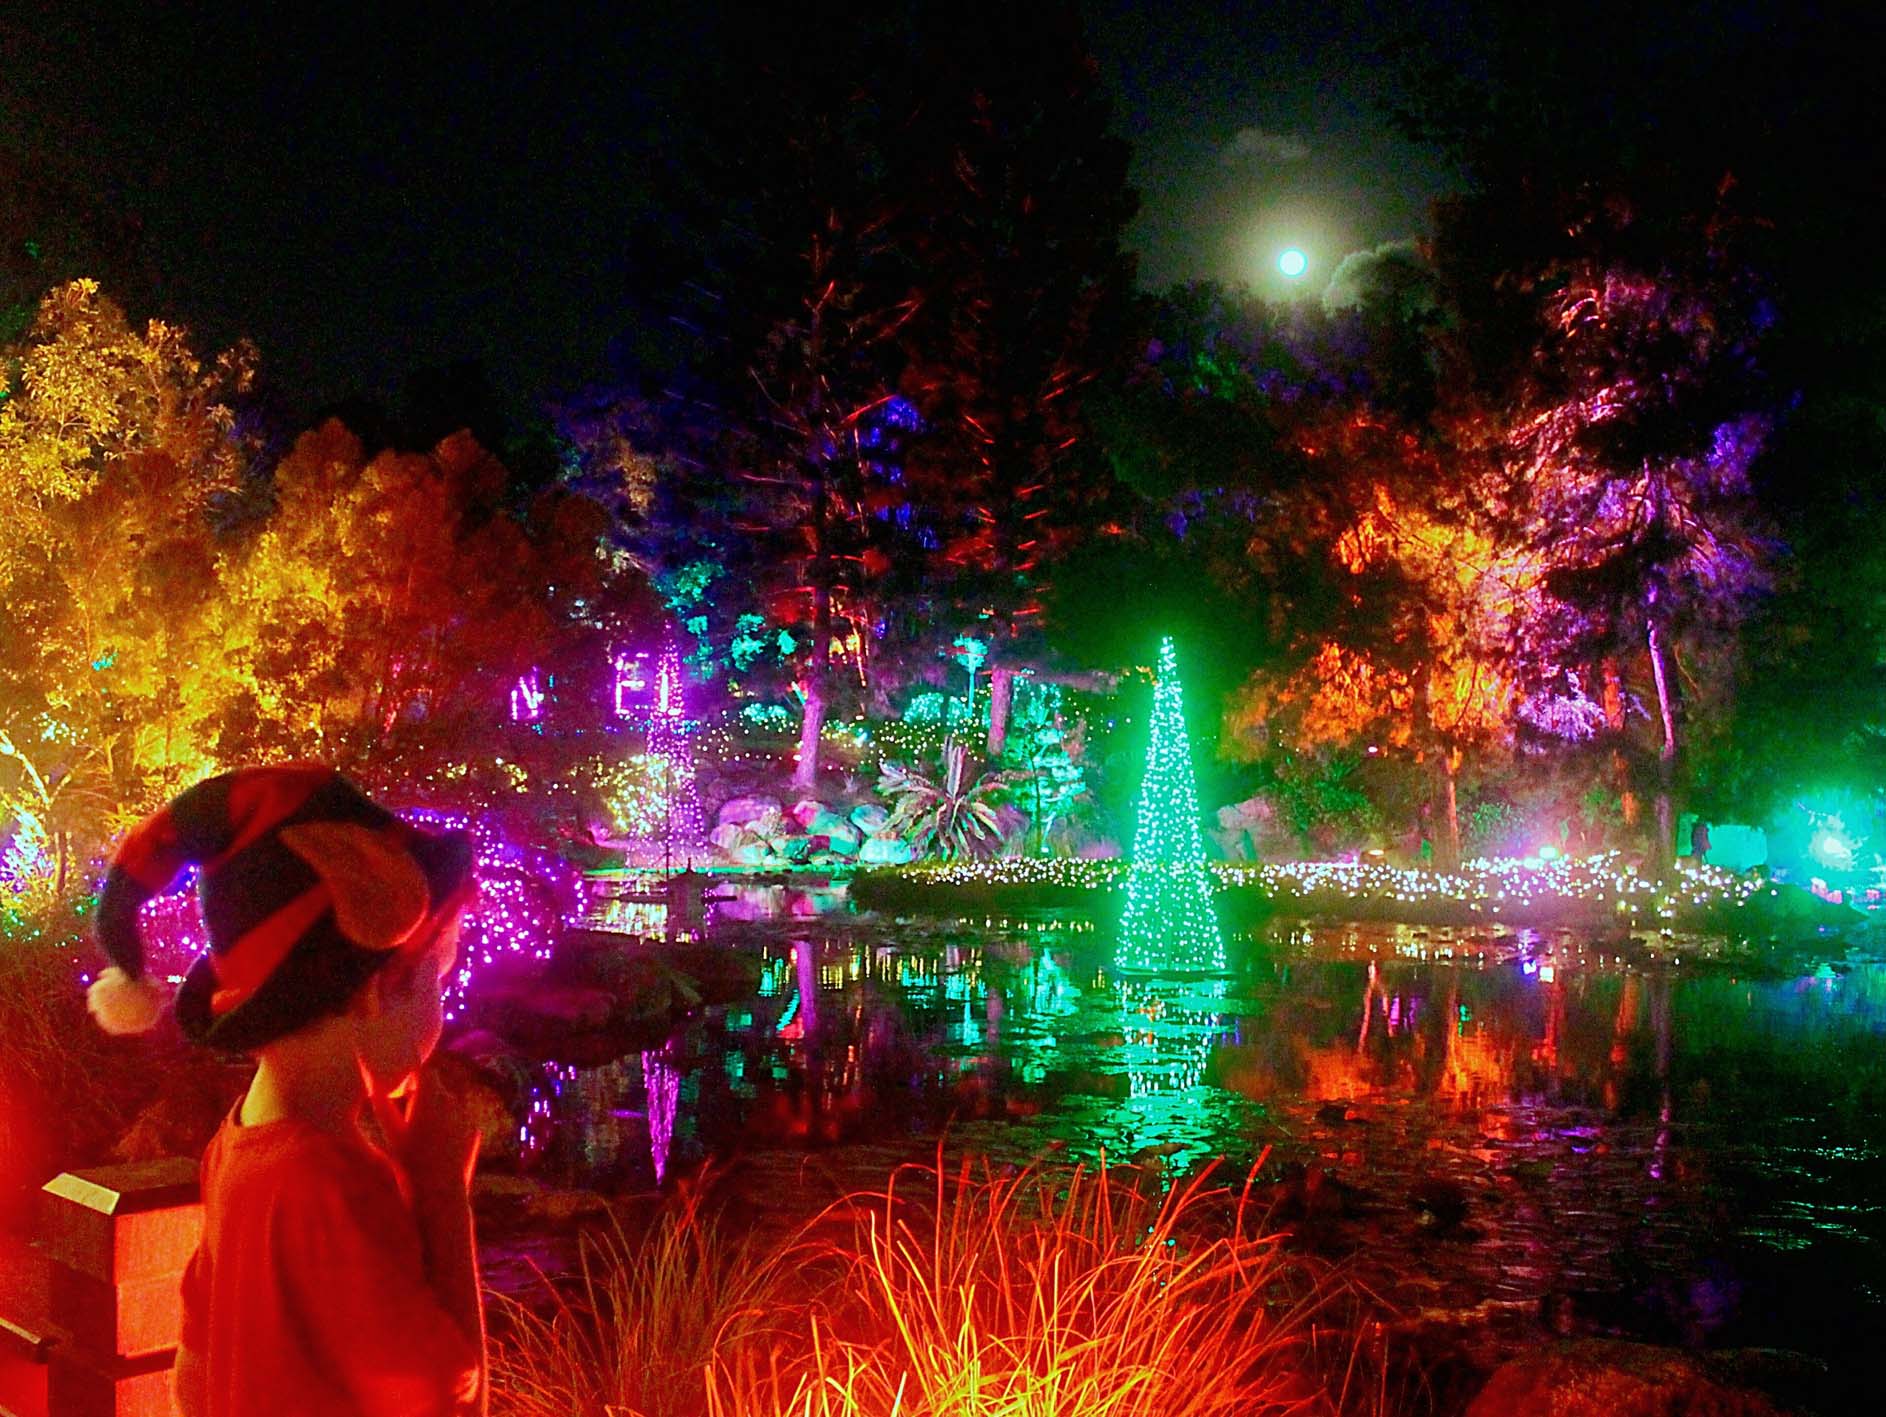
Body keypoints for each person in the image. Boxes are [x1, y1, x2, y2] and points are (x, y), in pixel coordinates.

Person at [85, 765, 487, 1417]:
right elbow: (451, 1405)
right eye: (437, 973)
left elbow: (193, 1382)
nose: (442, 1007)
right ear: (376, 988)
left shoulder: (237, 1144)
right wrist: (444, 1199)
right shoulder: (332, 1182)